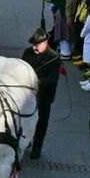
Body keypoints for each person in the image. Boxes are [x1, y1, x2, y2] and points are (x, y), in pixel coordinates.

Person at [23, 28, 61, 159]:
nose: (34, 47)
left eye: (37, 44)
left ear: (45, 43)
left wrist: (36, 82)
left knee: (41, 121)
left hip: (44, 96)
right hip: (28, 95)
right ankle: (25, 141)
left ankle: (37, 146)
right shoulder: (27, 53)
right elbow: (21, 68)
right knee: (24, 119)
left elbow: (52, 78)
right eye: (33, 44)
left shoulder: (53, 57)